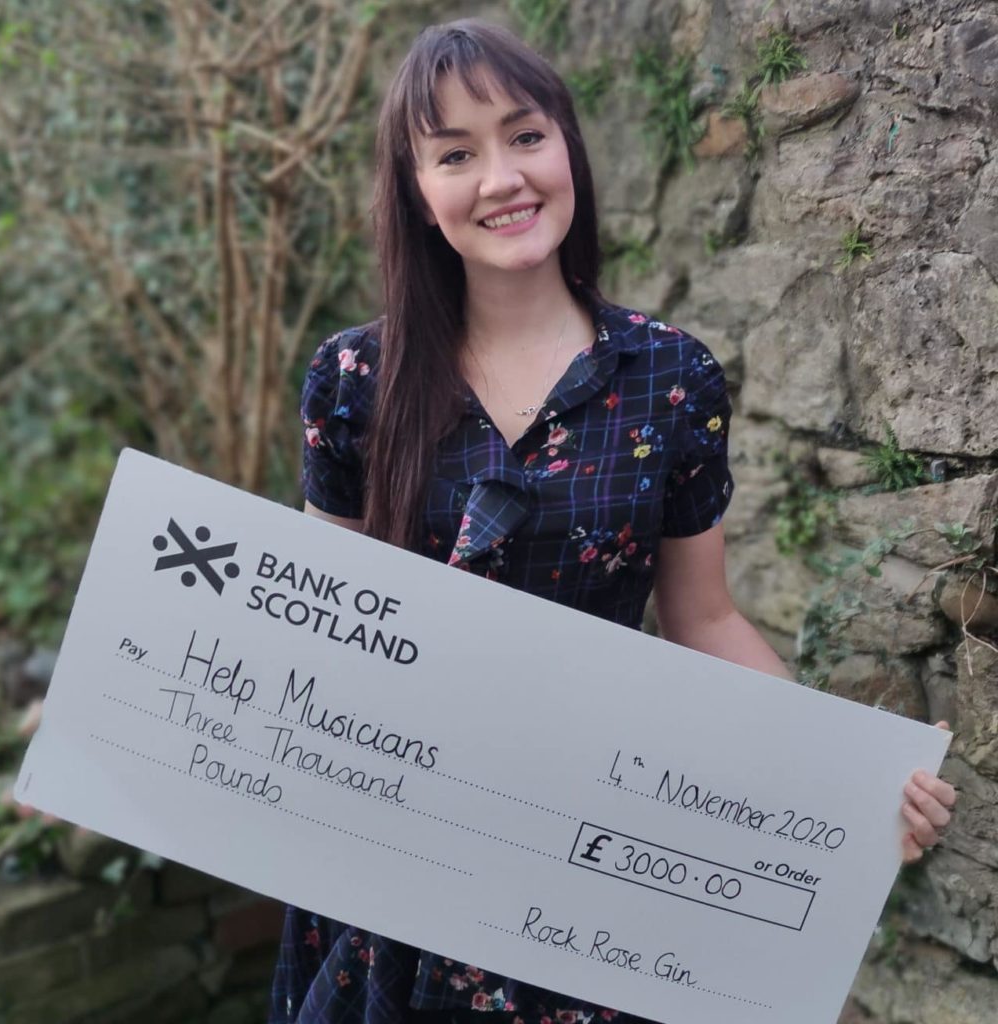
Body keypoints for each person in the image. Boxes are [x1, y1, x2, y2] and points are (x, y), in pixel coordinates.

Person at [269, 18, 956, 1024]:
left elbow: (705, 618)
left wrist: (842, 786)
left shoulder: (670, 377)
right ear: (416, 192)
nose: (500, 176)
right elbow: (320, 629)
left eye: (524, 135)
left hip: (583, 867)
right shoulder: (354, 379)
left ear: (569, 151)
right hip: (396, 868)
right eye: (455, 155)